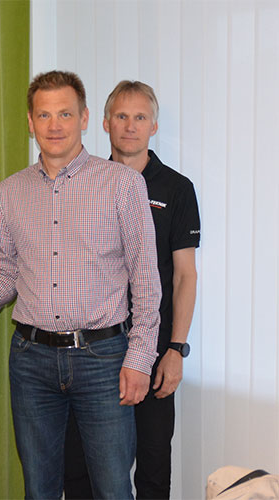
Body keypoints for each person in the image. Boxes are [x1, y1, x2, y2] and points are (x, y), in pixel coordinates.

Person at [0, 70, 162, 499]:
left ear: (85, 118)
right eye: (44, 115)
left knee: (112, 489)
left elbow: (146, 280)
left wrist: (140, 358)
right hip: (31, 360)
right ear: (30, 122)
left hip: (104, 360)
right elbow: (4, 272)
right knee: (40, 489)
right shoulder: (11, 192)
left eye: (65, 114)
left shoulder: (123, 184)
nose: (54, 125)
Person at [63, 81, 201, 500]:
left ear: (153, 126)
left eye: (140, 117)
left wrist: (176, 349)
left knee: (153, 465)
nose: (130, 126)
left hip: (154, 349)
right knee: (84, 466)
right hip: (94, 349)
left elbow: (185, 276)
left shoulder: (176, 189)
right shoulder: (84, 183)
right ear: (105, 123)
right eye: (121, 116)